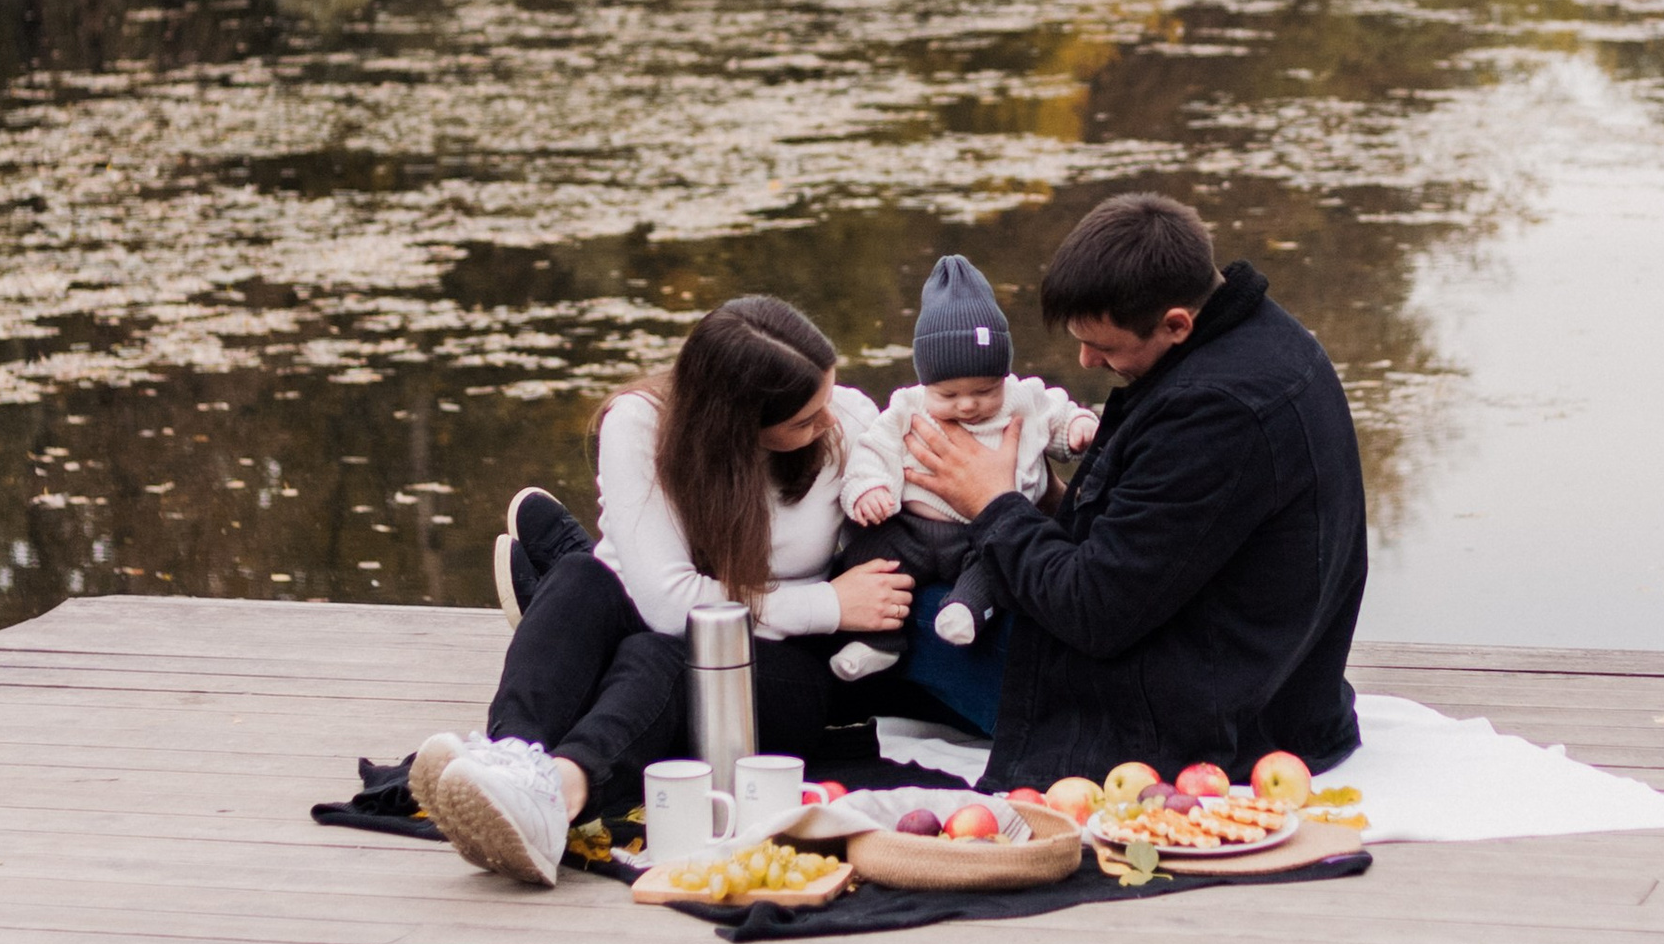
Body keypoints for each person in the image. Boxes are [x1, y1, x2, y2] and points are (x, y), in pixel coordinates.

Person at [416, 297, 912, 885]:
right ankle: (507, 765)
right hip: (670, 614)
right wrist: (828, 602)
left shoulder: (849, 424)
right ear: (737, 423)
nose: (827, 421)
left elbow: (941, 447)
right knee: (579, 579)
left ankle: (562, 790)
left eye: (825, 401)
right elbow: (666, 600)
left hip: (780, 666)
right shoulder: (640, 424)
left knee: (661, 653)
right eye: (803, 420)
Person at [903, 191, 1365, 794]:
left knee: (903, 607)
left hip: (1197, 715)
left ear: (1176, 323)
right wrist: (1044, 500)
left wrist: (994, 506)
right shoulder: (1268, 340)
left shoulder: (1214, 413)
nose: (1086, 359)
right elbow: (1152, 534)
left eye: (1106, 346)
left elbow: (1092, 611)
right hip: (1277, 682)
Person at [827, 253, 1097, 684]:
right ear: (924, 382)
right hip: (912, 529)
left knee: (996, 566)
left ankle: (967, 611)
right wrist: (869, 489)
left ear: (1003, 376)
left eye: (983, 390)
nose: (968, 404)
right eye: (949, 394)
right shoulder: (907, 407)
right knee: (868, 555)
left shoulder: (1022, 398)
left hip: (983, 531)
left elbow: (1058, 415)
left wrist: (1079, 428)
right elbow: (872, 449)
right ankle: (882, 643)